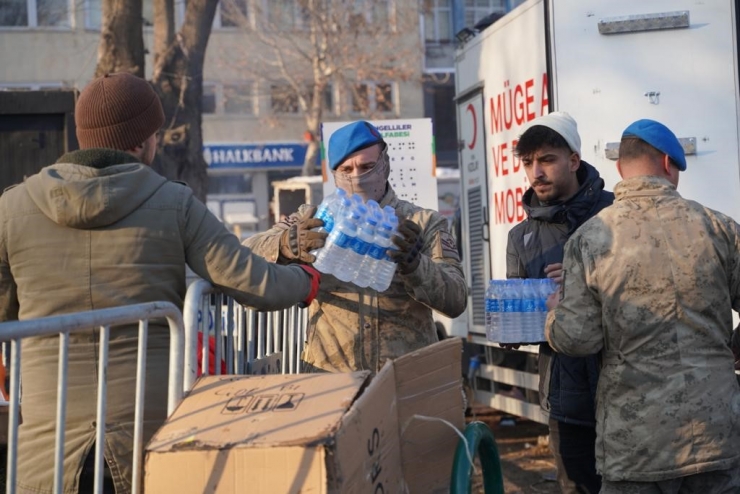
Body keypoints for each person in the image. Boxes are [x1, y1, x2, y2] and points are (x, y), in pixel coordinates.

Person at [0, 72, 321, 494]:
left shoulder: (12, 207)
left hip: (48, 447)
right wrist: (309, 279)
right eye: (153, 133)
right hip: (144, 438)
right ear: (138, 141)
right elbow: (253, 281)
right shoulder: (173, 202)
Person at [546, 119, 740, 493]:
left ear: (620, 168)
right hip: (717, 433)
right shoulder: (719, 228)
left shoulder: (592, 238)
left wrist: (554, 313)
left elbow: (577, 340)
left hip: (637, 444)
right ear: (669, 165)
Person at [244, 120, 467, 373]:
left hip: (403, 375)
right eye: (347, 169)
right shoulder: (313, 218)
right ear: (335, 174)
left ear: (385, 164)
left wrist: (417, 266)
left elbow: (456, 299)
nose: (357, 177)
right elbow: (245, 254)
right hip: (332, 377)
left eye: (367, 166)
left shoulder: (421, 223)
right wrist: (284, 244)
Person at [505, 112, 613, 494]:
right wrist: (509, 321)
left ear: (574, 160)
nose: (537, 172)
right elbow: (517, 327)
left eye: (547, 159)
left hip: (623, 388)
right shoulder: (521, 237)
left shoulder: (614, 216)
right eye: (528, 163)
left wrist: (584, 283)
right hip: (564, 397)